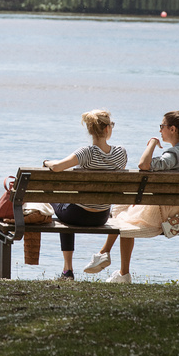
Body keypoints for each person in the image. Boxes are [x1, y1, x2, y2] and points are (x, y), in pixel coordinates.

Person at [83, 110, 179, 283]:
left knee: (124, 218)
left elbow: (143, 164)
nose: (160, 130)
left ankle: (113, 263)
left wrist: (152, 144)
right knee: (124, 208)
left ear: (173, 129)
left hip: (167, 216)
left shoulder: (172, 155)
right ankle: (108, 257)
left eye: (162, 126)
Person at [42, 110, 128, 280]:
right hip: (101, 216)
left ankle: (68, 270)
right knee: (67, 204)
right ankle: (67, 270)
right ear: (106, 130)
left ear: (90, 130)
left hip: (77, 215)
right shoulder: (120, 153)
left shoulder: (86, 153)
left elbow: (58, 166)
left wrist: (46, 162)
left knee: (53, 198)